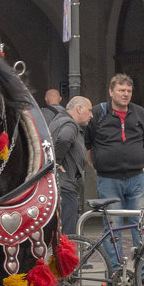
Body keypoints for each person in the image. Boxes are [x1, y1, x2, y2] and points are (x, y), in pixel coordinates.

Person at [85, 74, 144, 259]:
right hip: (108, 179)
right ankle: (115, 270)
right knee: (113, 227)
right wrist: (98, 165)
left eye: (129, 91)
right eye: (121, 90)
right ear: (111, 91)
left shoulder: (140, 113)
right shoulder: (98, 113)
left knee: (142, 224)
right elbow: (88, 143)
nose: (126, 94)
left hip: (137, 178)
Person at [48, 96, 93, 235]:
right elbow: (64, 138)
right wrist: (56, 162)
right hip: (66, 187)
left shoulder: (59, 120)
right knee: (68, 235)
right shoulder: (70, 124)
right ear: (79, 108)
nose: (91, 115)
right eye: (89, 110)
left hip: (62, 185)